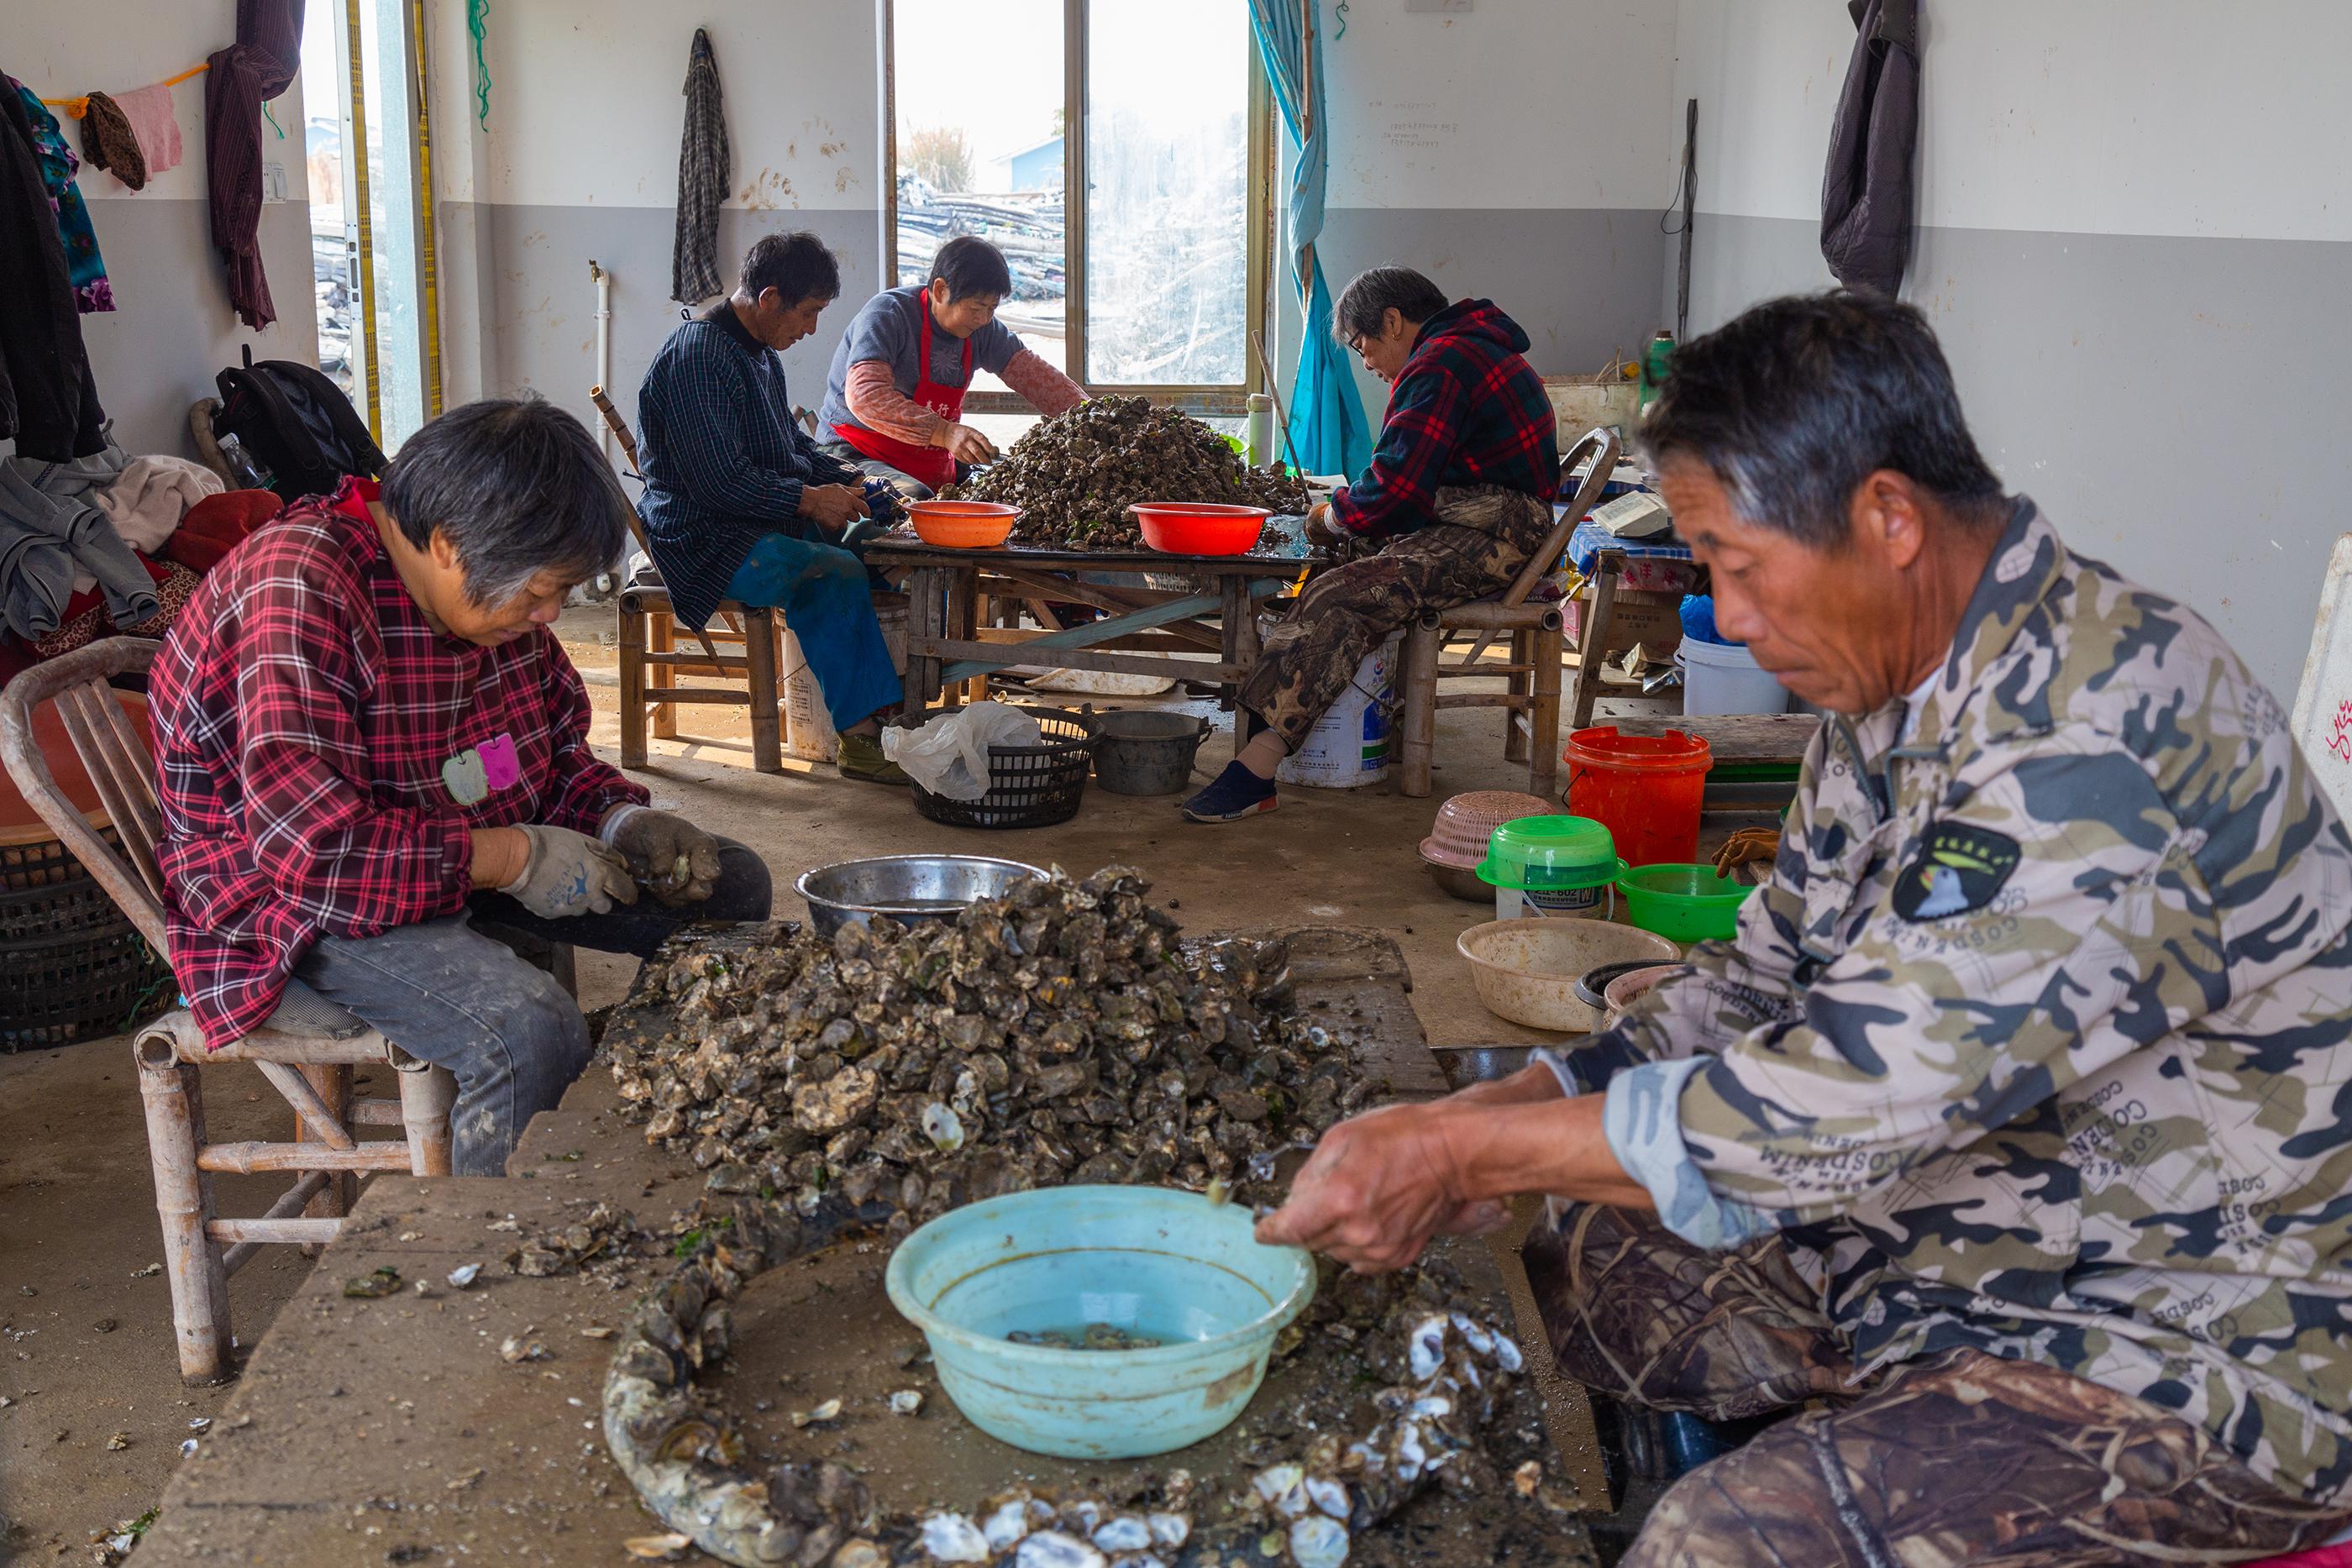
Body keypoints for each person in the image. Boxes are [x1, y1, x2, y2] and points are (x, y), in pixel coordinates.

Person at [1256, 292, 2352, 1564]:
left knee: (1721, 1540)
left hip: (2193, 1334)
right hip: (1948, 1241)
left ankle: (1833, 1476)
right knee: (1587, 1249)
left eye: (1733, 560)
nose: (1724, 611)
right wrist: (1519, 1099)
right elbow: (1762, 976)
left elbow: (1839, 1104)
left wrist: (1460, 1155)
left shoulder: (2102, 735)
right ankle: (1854, 1439)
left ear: (1887, 517)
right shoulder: (1889, 695)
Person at [150, 397, 773, 1177]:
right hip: (297, 901)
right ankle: (491, 1254)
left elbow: (543, 762)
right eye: (539, 591)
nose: (548, 615)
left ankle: (640, 1113)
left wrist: (619, 822)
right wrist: (513, 858)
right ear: (447, 544)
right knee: (530, 1029)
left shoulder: (494, 613)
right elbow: (315, 855)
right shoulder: (301, 587)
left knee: (732, 883)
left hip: (441, 852)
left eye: (562, 594)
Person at [1180, 266, 1558, 823]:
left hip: (1500, 535)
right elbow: (1405, 479)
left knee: (1341, 594)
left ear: (1393, 320)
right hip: (1478, 517)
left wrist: (1328, 517)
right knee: (1344, 558)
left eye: (1364, 346)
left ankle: (1255, 770)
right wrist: (1345, 522)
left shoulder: (1440, 363)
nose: (1368, 364)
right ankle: (1283, 702)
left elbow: (1398, 491)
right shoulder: (1467, 348)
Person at [636, 232, 908, 784]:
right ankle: (859, 743)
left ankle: (887, 717)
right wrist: (811, 499)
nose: (810, 330)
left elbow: (794, 450)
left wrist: (852, 479)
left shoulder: (758, 354)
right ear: (768, 298)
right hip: (702, 538)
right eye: (807, 314)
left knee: (878, 545)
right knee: (832, 571)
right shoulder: (699, 357)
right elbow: (720, 484)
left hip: (753, 519)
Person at [816, 235, 1084, 497]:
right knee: (914, 500)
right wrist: (945, 432)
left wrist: (1096, 417)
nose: (984, 319)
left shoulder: (984, 329)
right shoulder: (888, 315)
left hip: (926, 454)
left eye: (992, 308)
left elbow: (1036, 376)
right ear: (941, 290)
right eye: (977, 307)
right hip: (854, 451)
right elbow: (865, 396)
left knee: (1020, 483)